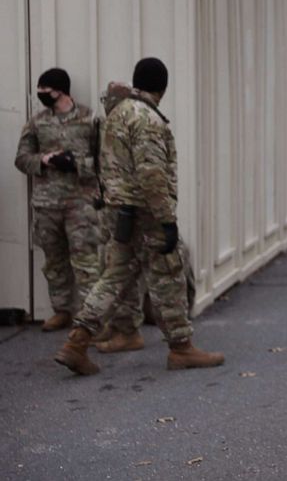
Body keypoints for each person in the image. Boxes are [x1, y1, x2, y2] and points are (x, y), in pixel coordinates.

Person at [55, 58, 223, 375]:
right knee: (169, 276)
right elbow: (152, 175)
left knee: (114, 276)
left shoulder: (115, 114)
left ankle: (76, 342)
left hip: (119, 212)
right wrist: (167, 220)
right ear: (163, 86)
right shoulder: (147, 119)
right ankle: (182, 348)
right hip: (145, 212)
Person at [15, 68, 102, 331]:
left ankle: (90, 319)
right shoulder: (37, 122)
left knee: (86, 262)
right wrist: (43, 160)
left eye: (45, 91)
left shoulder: (90, 119)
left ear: (61, 91)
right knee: (54, 262)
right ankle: (62, 310)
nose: (41, 95)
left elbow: (105, 161)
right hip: (46, 204)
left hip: (80, 204)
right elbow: (21, 158)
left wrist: (76, 165)